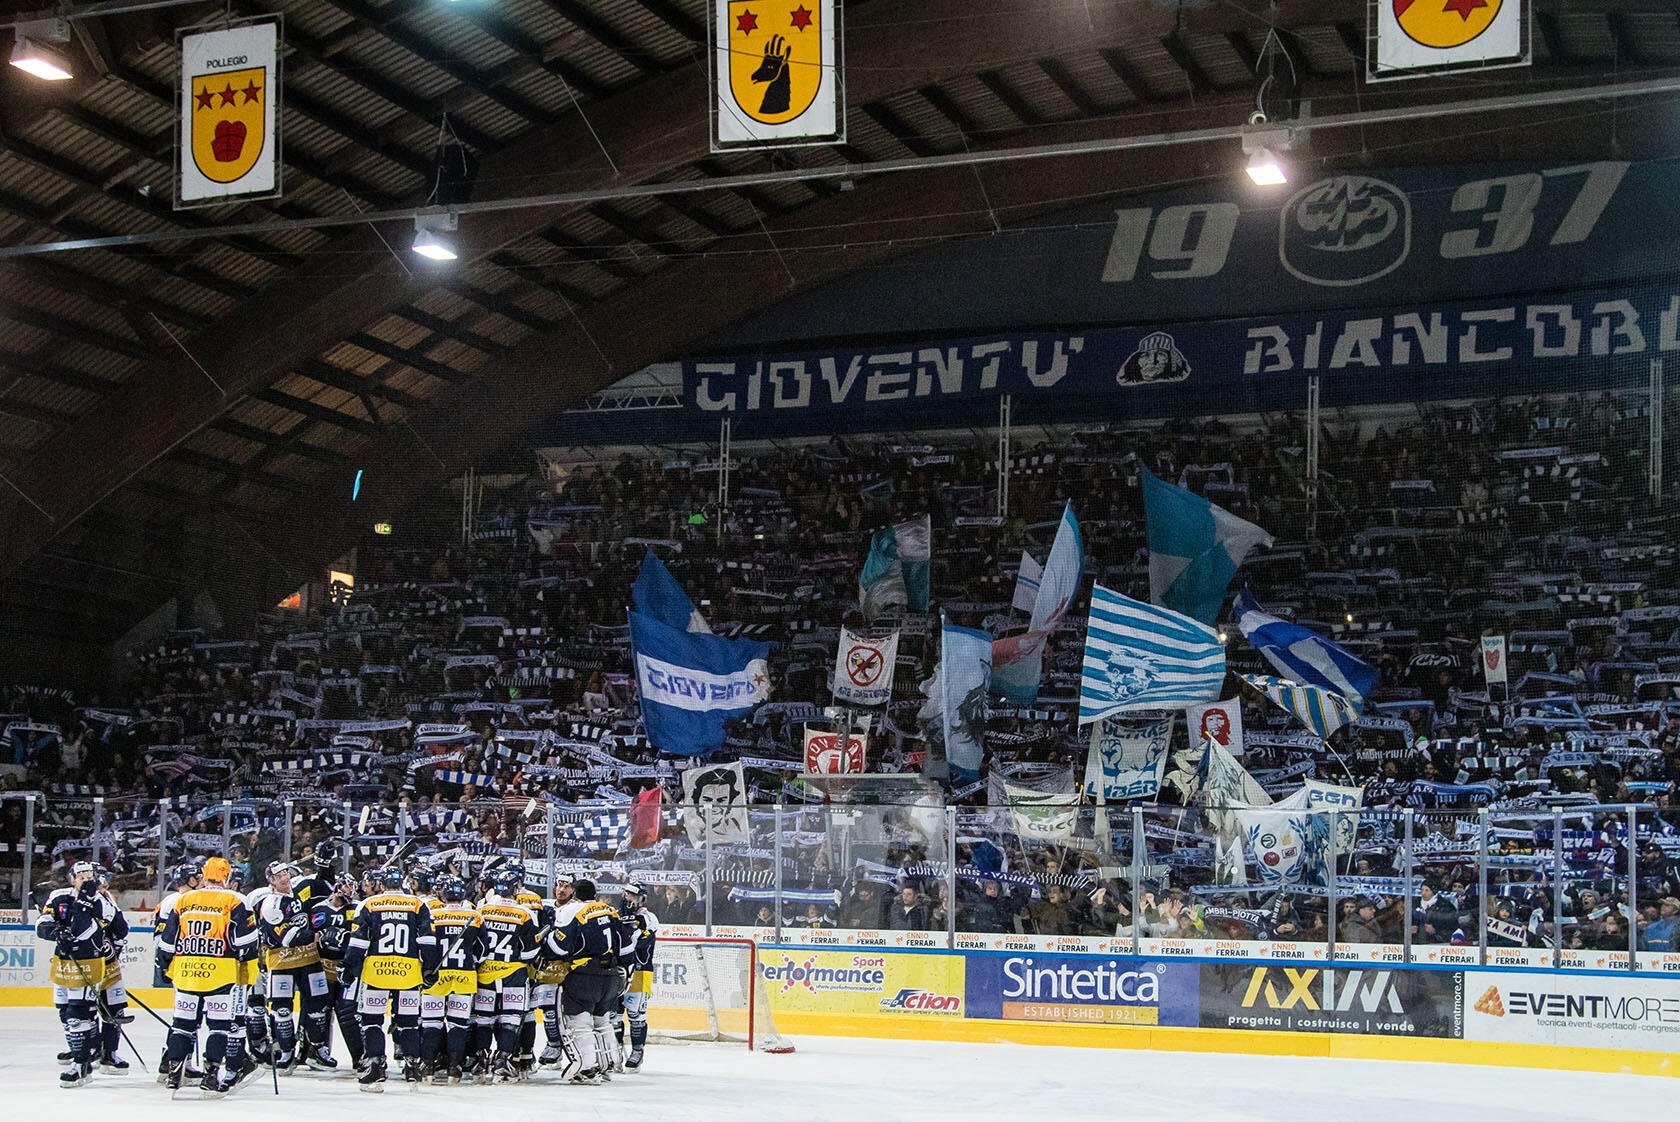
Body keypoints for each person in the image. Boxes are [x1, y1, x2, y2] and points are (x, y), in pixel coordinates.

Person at [155, 856, 260, 1096]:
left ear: (204, 875)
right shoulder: (235, 901)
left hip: (187, 971)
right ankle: (211, 1074)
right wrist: (247, 966)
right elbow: (246, 943)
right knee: (218, 1026)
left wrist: (166, 966)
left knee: (182, 1024)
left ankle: (174, 1072)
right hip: (219, 973)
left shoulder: (184, 900)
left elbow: (167, 942)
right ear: (226, 876)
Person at [342, 865, 438, 1090]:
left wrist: (348, 966)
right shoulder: (417, 904)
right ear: (402, 884)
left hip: (377, 973)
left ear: (381, 885)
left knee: (372, 1021)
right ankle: (413, 1067)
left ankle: (376, 1067)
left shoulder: (368, 904)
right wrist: (430, 969)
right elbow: (427, 941)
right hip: (409, 973)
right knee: (408, 1023)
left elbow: (358, 942)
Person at [35, 861, 114, 1088]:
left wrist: (85, 904)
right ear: (72, 879)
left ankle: (81, 1061)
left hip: (89, 962)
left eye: (89, 876)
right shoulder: (59, 896)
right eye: (81, 876)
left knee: (77, 1011)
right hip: (63, 962)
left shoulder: (101, 901)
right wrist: (56, 932)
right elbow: (42, 923)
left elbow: (91, 929)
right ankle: (83, 1052)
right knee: (64, 1010)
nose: (85, 880)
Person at [254, 860, 334, 1071]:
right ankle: (286, 1052)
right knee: (281, 1010)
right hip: (282, 962)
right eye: (279, 876)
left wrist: (325, 862)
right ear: (271, 880)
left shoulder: (299, 890)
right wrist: (319, 936)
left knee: (318, 1006)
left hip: (309, 959)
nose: (284, 878)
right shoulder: (270, 904)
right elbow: (288, 937)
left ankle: (316, 1049)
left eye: (286, 873)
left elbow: (321, 885)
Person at [544, 877, 622, 1084]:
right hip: (611, 974)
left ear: (574, 894)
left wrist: (547, 941)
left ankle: (587, 1069)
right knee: (602, 1020)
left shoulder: (572, 911)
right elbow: (624, 941)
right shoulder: (609, 910)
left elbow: (559, 947)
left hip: (584, 975)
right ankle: (608, 1063)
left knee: (580, 1023)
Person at [470, 866, 538, 1083]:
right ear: (515, 888)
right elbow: (530, 951)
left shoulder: (482, 909)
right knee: (510, 1019)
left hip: (485, 974)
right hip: (514, 974)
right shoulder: (524, 913)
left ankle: (480, 1060)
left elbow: (474, 944)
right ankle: (503, 1062)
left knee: (483, 1019)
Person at [421, 874, 481, 1085]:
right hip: (464, 975)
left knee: (432, 1023)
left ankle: (427, 1067)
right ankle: (454, 1069)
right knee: (458, 1024)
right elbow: (481, 951)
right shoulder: (474, 916)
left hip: (437, 975)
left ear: (443, 894)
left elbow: (425, 945)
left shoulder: (432, 914)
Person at [151, 861, 204, 1083]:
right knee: (188, 1016)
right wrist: (165, 964)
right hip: (184, 966)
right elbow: (163, 937)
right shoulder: (176, 901)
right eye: (197, 877)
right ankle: (175, 1061)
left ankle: (173, 1060)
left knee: (188, 1015)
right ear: (189, 880)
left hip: (183, 965)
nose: (201, 881)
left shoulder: (179, 900)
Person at [308, 871, 362, 1068]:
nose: (349, 895)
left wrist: (345, 938)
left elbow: (361, 936)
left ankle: (359, 1056)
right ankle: (314, 1051)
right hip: (322, 968)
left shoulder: (356, 909)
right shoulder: (317, 908)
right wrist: (320, 937)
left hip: (346, 968)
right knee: (318, 1010)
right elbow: (311, 937)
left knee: (347, 1012)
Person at [617, 882, 659, 1071]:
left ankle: (637, 1051)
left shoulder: (649, 918)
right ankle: (615, 1051)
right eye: (626, 894)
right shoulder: (616, 915)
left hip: (640, 971)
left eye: (632, 895)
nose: (628, 898)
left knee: (636, 1015)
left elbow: (640, 942)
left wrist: (629, 925)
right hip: (617, 972)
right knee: (613, 1015)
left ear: (642, 898)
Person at [534, 873, 574, 1069]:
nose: (561, 889)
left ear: (573, 890)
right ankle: (554, 1046)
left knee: (570, 1012)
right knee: (548, 1007)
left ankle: (575, 1051)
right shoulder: (545, 907)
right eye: (559, 885)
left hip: (571, 965)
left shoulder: (575, 910)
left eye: (566, 886)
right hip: (549, 964)